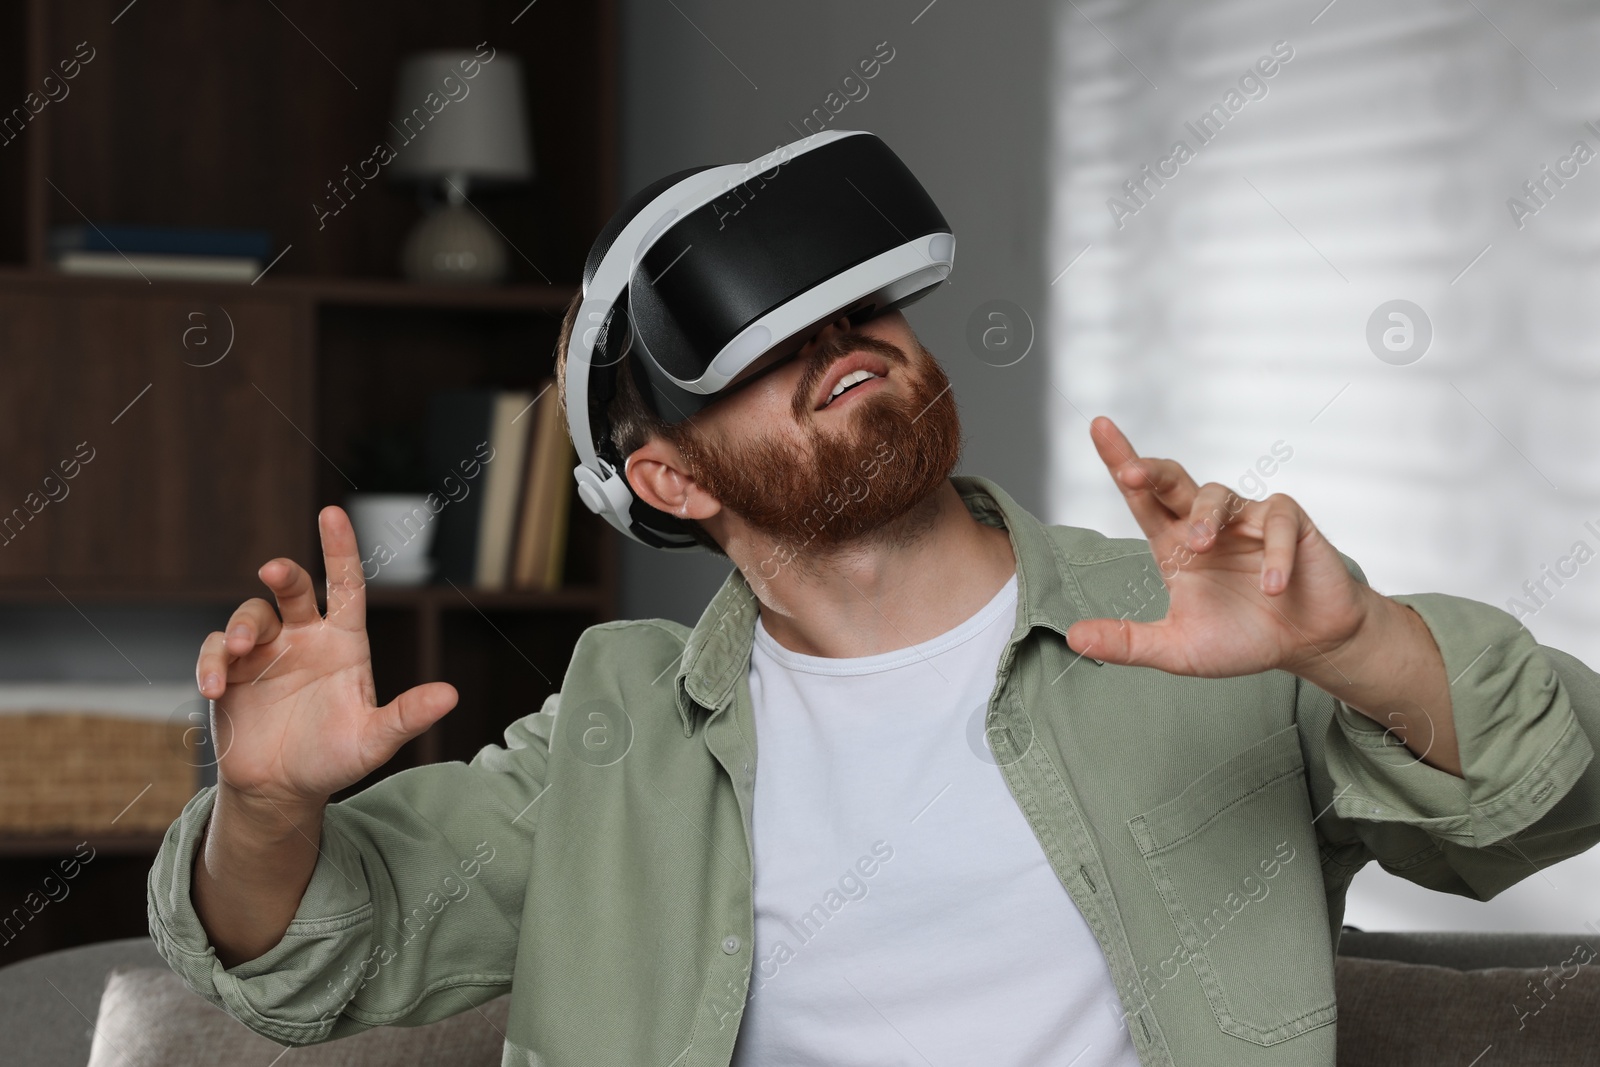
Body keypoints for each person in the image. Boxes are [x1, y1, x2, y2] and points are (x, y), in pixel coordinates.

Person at [149, 294, 1600, 1067]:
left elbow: (1546, 799)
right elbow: (324, 957)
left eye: (851, 302)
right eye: (751, 344)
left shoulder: (1200, 618)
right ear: (663, 473)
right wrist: (266, 807)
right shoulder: (623, 719)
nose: (835, 335)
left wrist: (1356, 648)